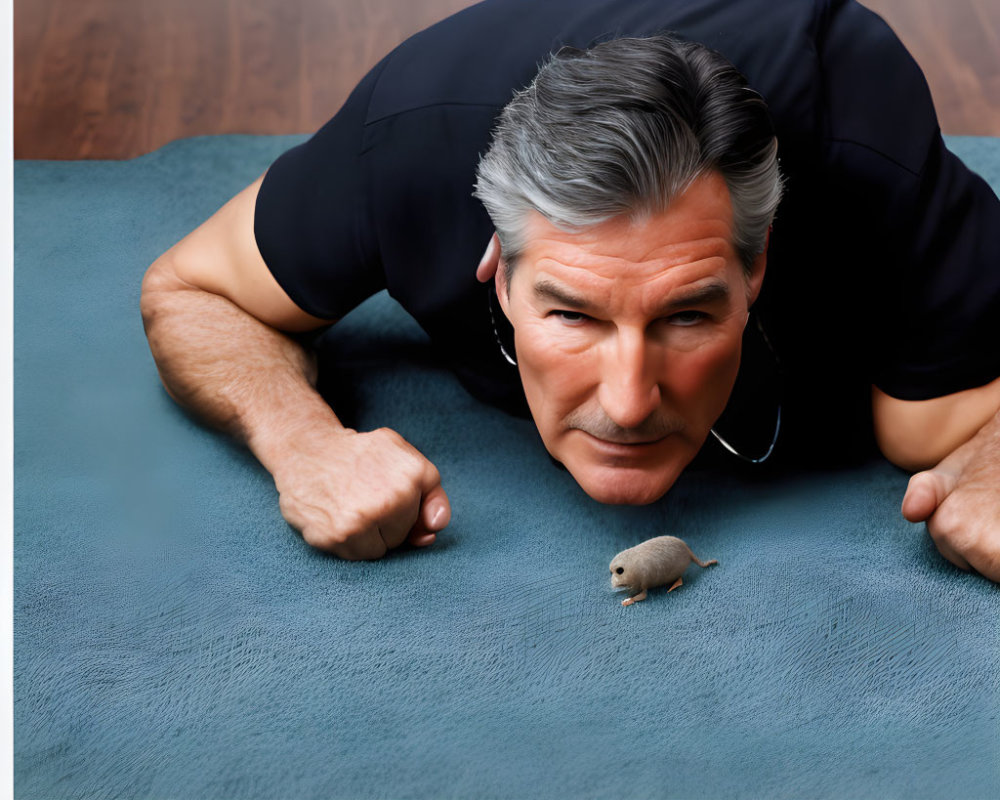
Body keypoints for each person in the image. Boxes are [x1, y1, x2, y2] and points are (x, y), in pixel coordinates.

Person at [140, 0, 1000, 577]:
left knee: (923, 421)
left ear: (758, 267)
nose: (628, 405)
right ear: (496, 266)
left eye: (688, 313)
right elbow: (189, 289)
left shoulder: (864, 155)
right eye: (573, 313)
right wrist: (304, 443)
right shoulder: (407, 148)